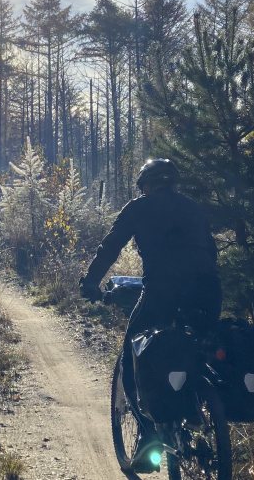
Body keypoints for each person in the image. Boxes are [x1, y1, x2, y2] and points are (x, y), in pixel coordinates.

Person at [79, 158, 221, 473]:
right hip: (209, 292)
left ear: (146, 185)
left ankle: (148, 436)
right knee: (198, 347)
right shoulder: (193, 208)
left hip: (163, 293)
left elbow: (110, 247)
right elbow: (210, 253)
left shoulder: (139, 207)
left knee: (135, 353)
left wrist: (90, 282)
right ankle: (197, 406)